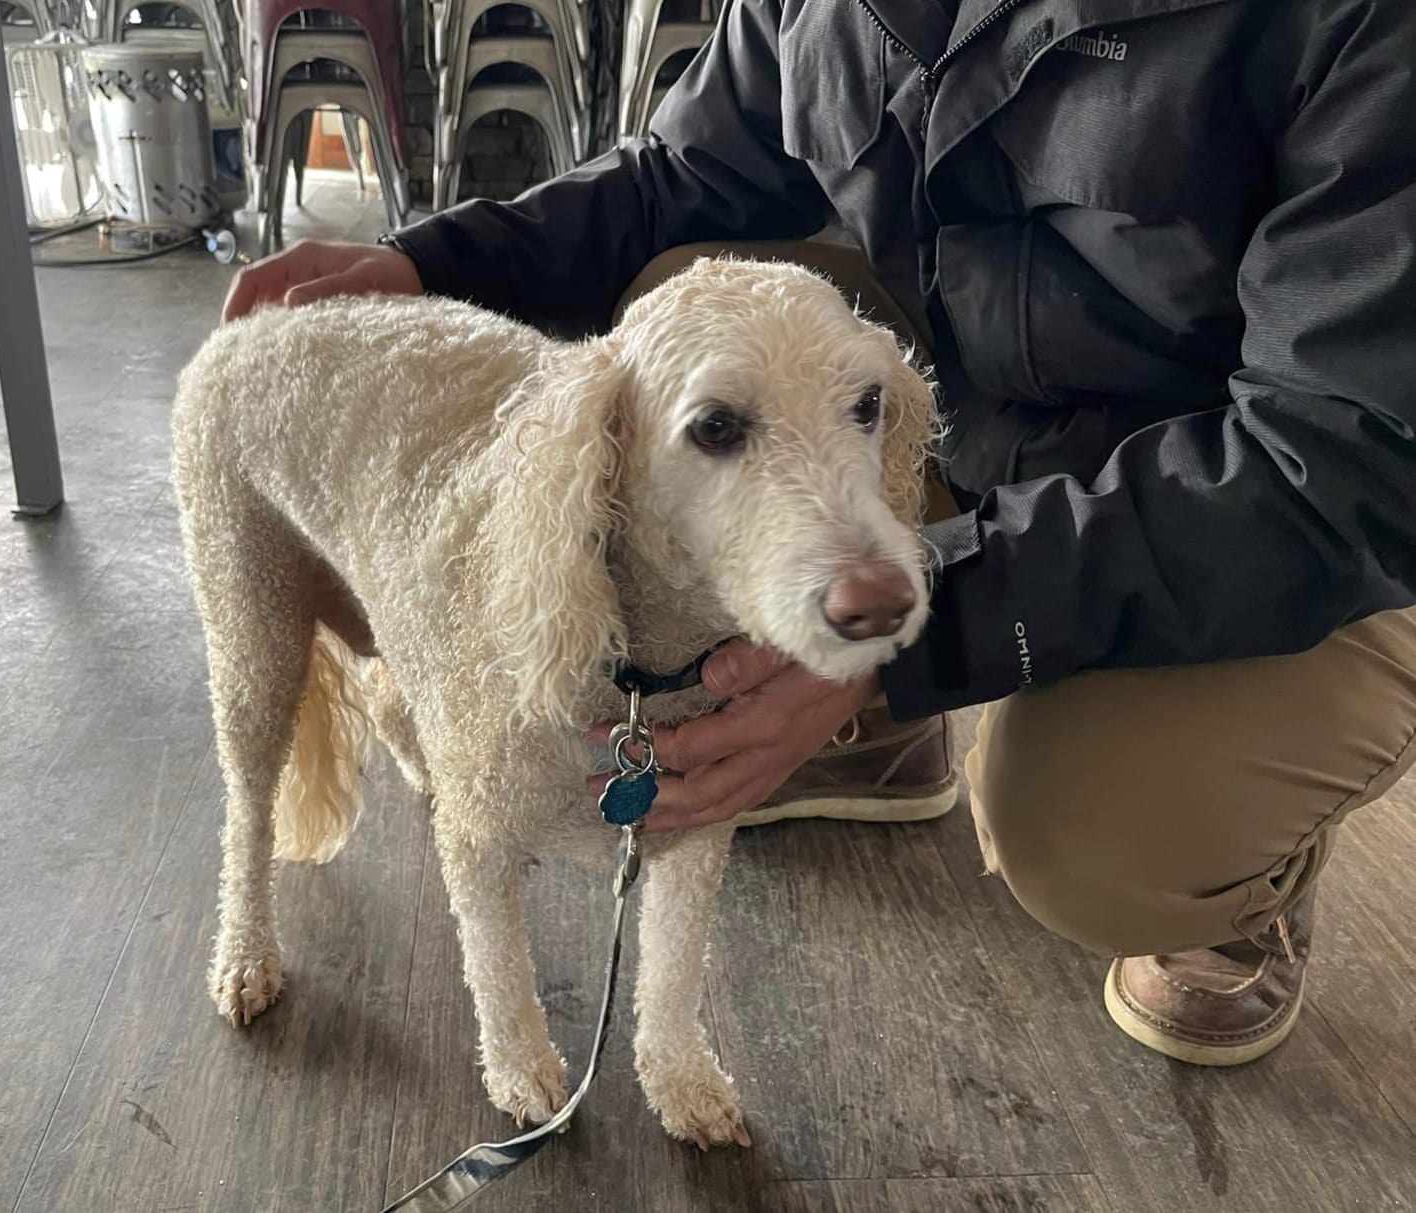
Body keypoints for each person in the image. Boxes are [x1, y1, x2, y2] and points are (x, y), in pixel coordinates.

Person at [221, 0, 1416, 1067]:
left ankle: (1235, 877)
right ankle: (873, 728)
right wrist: (428, 262)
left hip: (1293, 514)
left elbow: (1348, 454)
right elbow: (684, 178)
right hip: (974, 434)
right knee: (693, 302)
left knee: (1096, 832)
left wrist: (919, 629)